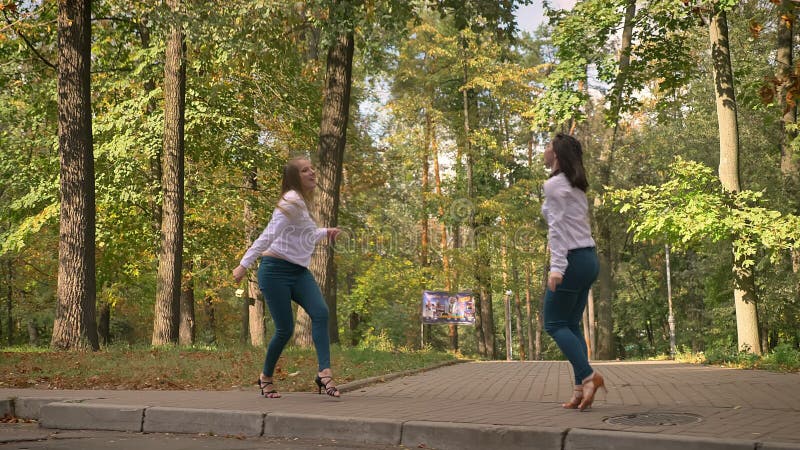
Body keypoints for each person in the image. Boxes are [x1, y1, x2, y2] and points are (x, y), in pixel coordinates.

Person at [232, 157, 342, 399]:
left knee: (320, 312)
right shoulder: (291, 201)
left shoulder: (301, 202)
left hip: (298, 272)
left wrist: (326, 232)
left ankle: (324, 373)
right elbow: (269, 234)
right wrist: (243, 264)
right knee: (285, 330)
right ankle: (265, 378)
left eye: (312, 168)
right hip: (275, 272)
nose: (312, 172)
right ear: (294, 178)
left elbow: (305, 235)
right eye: (305, 170)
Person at [541, 133, 605, 411]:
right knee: (572, 325)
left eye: (548, 146)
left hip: (572, 260)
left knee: (554, 324)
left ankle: (591, 376)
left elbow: (557, 230)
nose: (543, 150)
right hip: (588, 258)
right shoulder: (575, 185)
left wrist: (556, 268)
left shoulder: (555, 184)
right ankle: (581, 389)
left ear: (556, 154)